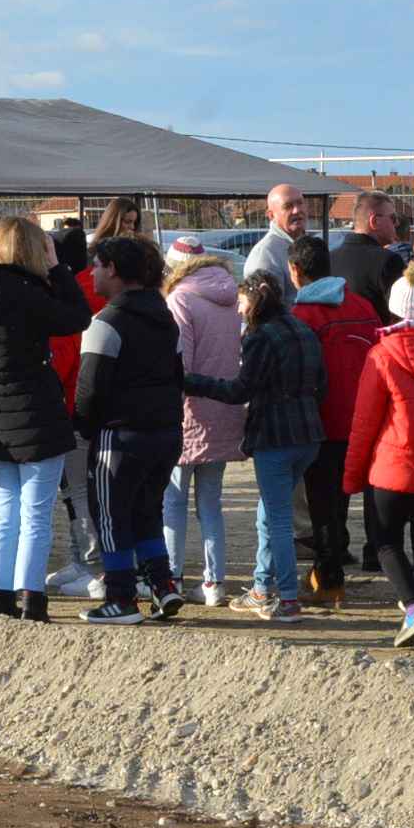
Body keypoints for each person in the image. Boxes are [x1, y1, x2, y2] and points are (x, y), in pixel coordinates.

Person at [0, 215, 89, 618]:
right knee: (35, 512)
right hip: (37, 412)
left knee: (5, 509)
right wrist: (58, 268)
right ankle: (32, 597)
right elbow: (77, 317)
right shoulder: (28, 292)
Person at [329, 259, 414, 647]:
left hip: (393, 469)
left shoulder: (382, 353)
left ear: (394, 306)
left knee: (385, 540)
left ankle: (413, 607)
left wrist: (351, 476)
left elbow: (364, 422)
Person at [181, 271, 325, 620]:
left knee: (276, 519)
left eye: (242, 303)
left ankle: (287, 599)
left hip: (275, 437)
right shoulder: (303, 329)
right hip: (309, 435)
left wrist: (189, 382)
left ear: (254, 300)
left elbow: (240, 390)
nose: (239, 311)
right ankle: (262, 587)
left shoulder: (260, 336)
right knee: (268, 515)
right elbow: (322, 382)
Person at [73, 233, 187, 623]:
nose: (93, 273)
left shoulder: (106, 323)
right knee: (146, 512)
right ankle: (163, 586)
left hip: (119, 436)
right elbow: (178, 375)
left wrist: (83, 428)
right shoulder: (166, 318)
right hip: (167, 432)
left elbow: (89, 391)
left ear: (115, 271)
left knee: (110, 516)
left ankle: (120, 598)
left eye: (99, 266)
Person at [285, 236, 383, 610]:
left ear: (295, 271)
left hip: (322, 423)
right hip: (366, 418)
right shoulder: (362, 306)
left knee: (324, 505)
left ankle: (329, 580)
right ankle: (334, 566)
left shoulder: (302, 317)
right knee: (344, 501)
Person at [161, 238, 247, 605]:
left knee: (173, 502)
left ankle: (173, 578)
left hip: (189, 413)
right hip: (225, 408)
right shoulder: (231, 297)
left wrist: (170, 412)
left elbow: (181, 363)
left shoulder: (179, 298)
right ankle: (215, 583)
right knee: (211, 503)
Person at [330, 190, 405, 316]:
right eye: (393, 218)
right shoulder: (389, 261)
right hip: (377, 334)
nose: (397, 223)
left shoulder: (329, 258)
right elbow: (402, 312)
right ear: (375, 222)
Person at [243, 182, 307, 289]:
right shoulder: (265, 255)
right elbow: (267, 304)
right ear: (271, 215)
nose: (297, 210)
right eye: (288, 206)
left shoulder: (309, 245)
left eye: (300, 203)